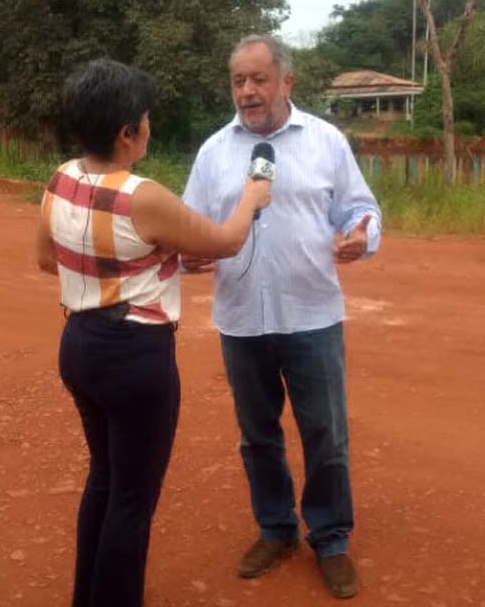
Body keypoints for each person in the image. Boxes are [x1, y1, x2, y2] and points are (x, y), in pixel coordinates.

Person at [35, 59, 271, 607]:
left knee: (104, 478)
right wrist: (252, 198)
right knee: (132, 499)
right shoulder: (144, 196)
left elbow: (48, 260)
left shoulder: (60, 179)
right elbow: (226, 241)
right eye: (144, 119)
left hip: (80, 346)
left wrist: (142, 265)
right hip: (135, 357)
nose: (148, 126)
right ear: (127, 133)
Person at [181, 35, 382, 600]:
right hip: (242, 320)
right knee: (258, 436)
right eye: (239, 81)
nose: (248, 91)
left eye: (259, 79)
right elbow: (190, 223)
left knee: (326, 435)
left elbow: (360, 208)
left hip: (312, 315)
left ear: (286, 82)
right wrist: (188, 253)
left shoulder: (326, 141)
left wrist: (360, 235)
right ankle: (275, 528)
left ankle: (331, 537)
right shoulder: (215, 152)